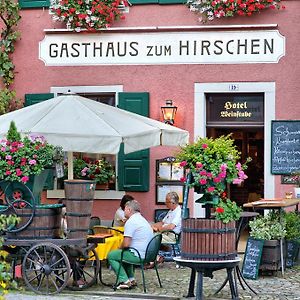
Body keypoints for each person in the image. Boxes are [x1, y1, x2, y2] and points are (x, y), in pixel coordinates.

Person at [108, 199, 153, 289]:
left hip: (138, 255)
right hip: (148, 254)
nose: (123, 211)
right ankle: (131, 279)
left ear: (129, 209)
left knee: (111, 255)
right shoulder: (142, 219)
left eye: (124, 209)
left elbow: (126, 244)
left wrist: (118, 248)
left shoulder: (131, 222)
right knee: (125, 252)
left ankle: (124, 280)